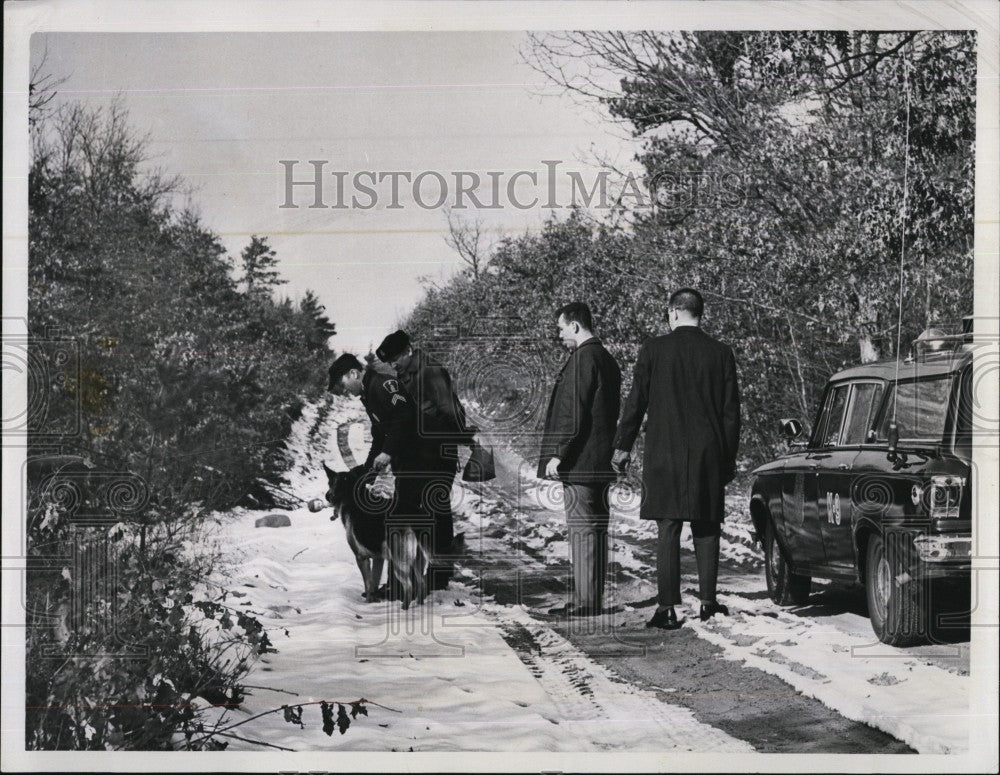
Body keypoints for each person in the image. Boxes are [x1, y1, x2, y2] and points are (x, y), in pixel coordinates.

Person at [612, 289, 741, 630]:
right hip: (708, 453)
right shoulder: (721, 353)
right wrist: (728, 460)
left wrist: (622, 445)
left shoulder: (654, 349)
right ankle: (708, 604)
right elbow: (731, 415)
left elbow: (636, 401)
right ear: (701, 314)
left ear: (672, 313)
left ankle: (667, 607)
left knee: (667, 529)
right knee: (707, 526)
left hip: (664, 453)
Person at [538, 302, 622, 617]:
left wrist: (558, 453)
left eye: (561, 328)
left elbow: (574, 412)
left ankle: (587, 603)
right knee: (595, 532)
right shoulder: (606, 359)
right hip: (600, 461)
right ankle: (589, 598)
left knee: (583, 532)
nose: (559, 335)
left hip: (580, 462)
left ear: (575, 326)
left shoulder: (583, 359)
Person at [376, 330, 474, 590]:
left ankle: (439, 575)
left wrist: (447, 444)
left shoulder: (431, 371)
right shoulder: (403, 374)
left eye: (396, 357)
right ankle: (405, 577)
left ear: (408, 350)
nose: (393, 364)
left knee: (436, 511)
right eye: (390, 362)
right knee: (407, 510)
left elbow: (452, 415)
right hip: (413, 458)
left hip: (436, 456)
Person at [327, 352, 430, 601]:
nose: (344, 390)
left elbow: (405, 419)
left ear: (354, 373)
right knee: (402, 519)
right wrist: (367, 471)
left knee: (411, 521)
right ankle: (407, 585)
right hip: (406, 461)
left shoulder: (383, 385)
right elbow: (380, 435)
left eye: (343, 384)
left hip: (421, 458)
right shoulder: (369, 393)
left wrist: (387, 453)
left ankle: (413, 584)